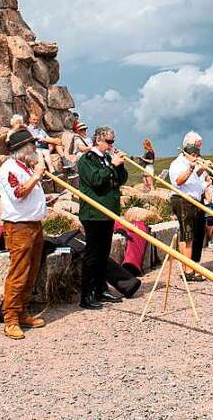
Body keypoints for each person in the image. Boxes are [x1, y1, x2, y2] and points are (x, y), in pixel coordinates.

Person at [0, 127, 48, 338]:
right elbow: (18, 194)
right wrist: (36, 177)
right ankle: (10, 319)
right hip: (19, 228)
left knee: (31, 272)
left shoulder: (23, 167)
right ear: (24, 149)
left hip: (33, 225)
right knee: (19, 273)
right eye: (33, 145)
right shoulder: (9, 169)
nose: (36, 148)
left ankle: (22, 311)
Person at [77, 125, 129, 308]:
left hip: (107, 213)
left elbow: (120, 180)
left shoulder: (107, 158)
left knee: (103, 254)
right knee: (92, 255)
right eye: (108, 142)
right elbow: (97, 181)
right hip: (93, 213)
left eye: (112, 141)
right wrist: (112, 166)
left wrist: (120, 167)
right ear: (98, 140)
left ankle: (101, 288)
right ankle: (87, 294)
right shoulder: (86, 159)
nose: (111, 145)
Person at [168, 131, 212, 275]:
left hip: (195, 200)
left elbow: (193, 181)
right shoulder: (178, 163)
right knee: (188, 235)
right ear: (188, 146)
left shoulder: (192, 162)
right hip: (183, 200)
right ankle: (188, 270)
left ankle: (193, 264)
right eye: (197, 147)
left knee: (198, 233)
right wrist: (191, 168)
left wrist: (202, 171)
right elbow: (178, 181)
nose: (198, 151)